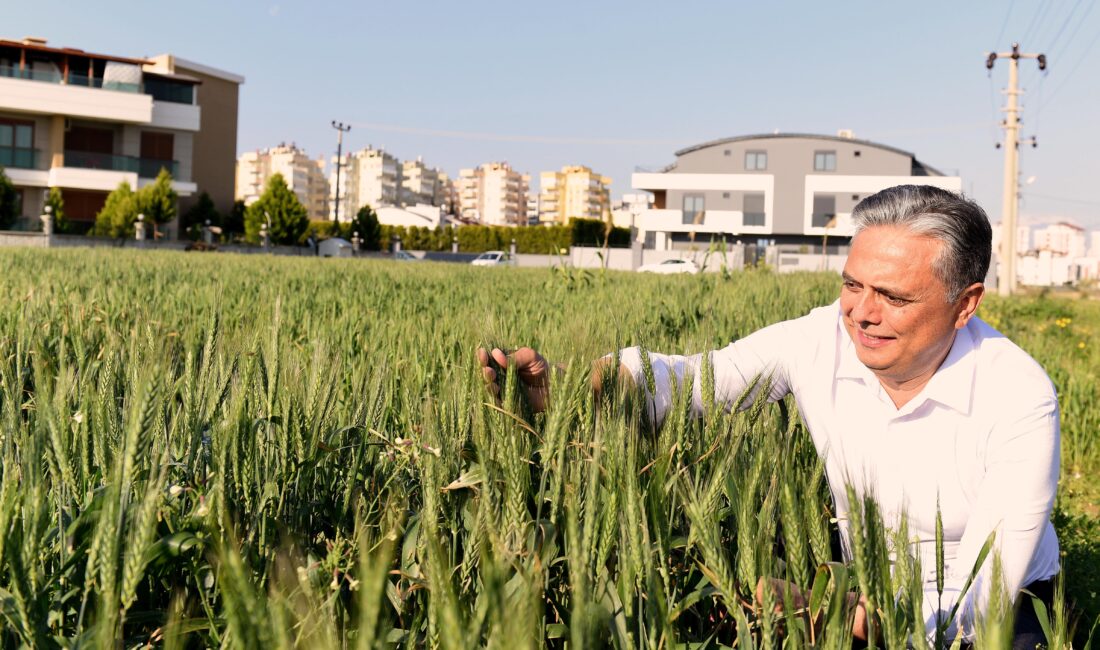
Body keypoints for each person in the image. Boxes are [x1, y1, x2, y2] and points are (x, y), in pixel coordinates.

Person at [477, 185, 1060, 648]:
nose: (862, 314)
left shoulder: (1019, 397)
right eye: (852, 285)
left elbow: (981, 594)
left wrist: (869, 622)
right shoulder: (819, 338)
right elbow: (695, 381)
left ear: (966, 304)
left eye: (894, 296)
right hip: (858, 592)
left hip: (1001, 607)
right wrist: (581, 390)